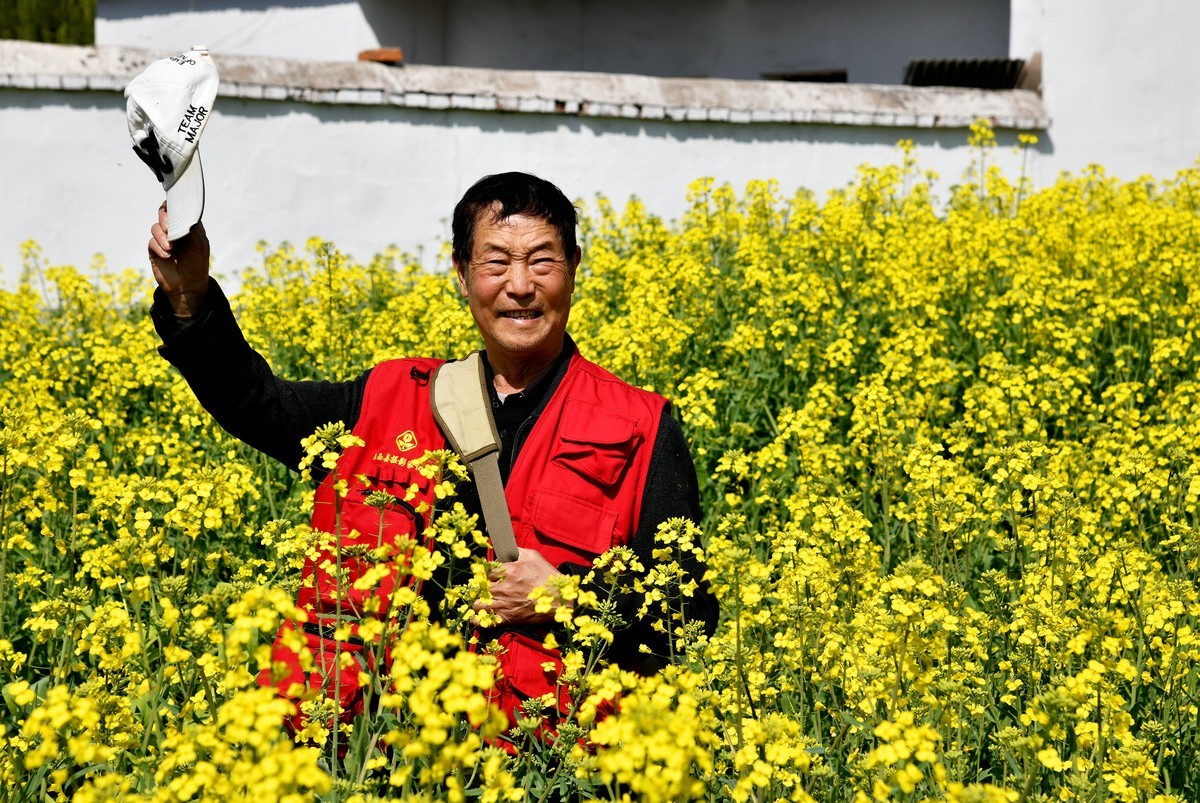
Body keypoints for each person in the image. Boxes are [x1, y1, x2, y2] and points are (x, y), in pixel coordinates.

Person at [146, 171, 718, 736]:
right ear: (463, 277)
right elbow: (256, 403)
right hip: (374, 754)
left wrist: (571, 598)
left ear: (573, 271)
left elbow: (688, 618)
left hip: (541, 764)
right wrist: (188, 296)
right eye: (496, 263)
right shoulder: (387, 399)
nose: (520, 286)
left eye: (542, 261)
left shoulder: (642, 427)